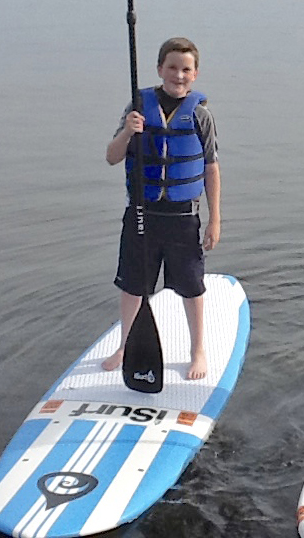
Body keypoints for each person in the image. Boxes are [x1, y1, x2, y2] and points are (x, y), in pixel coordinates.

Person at [102, 37, 221, 380]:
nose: (178, 75)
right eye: (172, 68)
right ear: (159, 69)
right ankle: (125, 345)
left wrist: (215, 220)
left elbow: (211, 168)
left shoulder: (200, 115)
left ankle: (197, 349)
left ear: (195, 74)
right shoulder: (138, 107)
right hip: (142, 213)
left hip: (183, 216)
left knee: (191, 285)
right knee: (132, 285)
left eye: (186, 69)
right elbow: (112, 157)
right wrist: (128, 131)